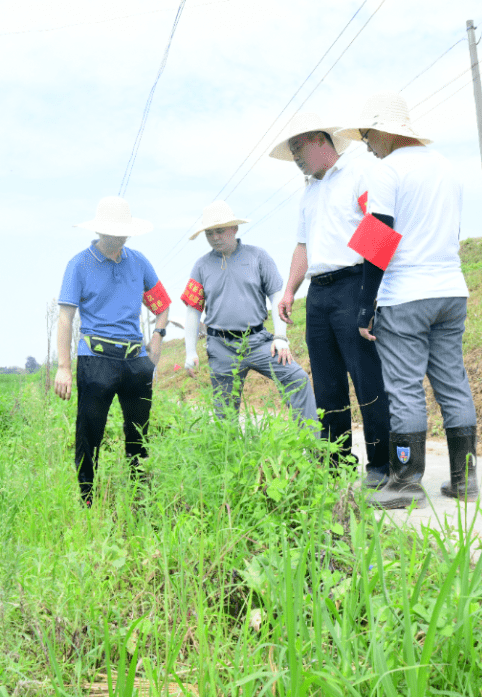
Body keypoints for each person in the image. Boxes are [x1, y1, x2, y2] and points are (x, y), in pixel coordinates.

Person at [336, 92, 479, 509]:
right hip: (451, 289)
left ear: (384, 130)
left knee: (403, 389)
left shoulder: (388, 170)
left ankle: (405, 483)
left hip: (406, 294)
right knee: (453, 382)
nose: (365, 143)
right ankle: (465, 481)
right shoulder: (447, 168)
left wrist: (366, 307)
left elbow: (378, 238)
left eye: (366, 135)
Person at [269, 112, 392, 486]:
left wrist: (370, 296)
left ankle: (380, 465)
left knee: (366, 377)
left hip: (354, 282)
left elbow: (379, 227)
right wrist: (291, 288)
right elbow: (303, 245)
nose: (295, 158)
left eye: (298, 148)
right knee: (327, 384)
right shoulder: (309, 191)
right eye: (291, 151)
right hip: (319, 293)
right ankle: (337, 463)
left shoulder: (358, 173)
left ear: (321, 141)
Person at [55, 196, 171, 506]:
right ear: (99, 231)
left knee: (139, 435)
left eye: (122, 233)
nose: (117, 239)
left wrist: (158, 336)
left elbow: (162, 304)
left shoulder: (138, 261)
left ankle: (138, 500)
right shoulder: (79, 264)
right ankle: (87, 501)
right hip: (96, 359)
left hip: (136, 361)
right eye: (111, 232)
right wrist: (64, 367)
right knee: (90, 434)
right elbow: (65, 318)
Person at [182, 201, 317, 424]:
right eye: (209, 233)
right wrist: (190, 352)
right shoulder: (201, 266)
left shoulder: (258, 257)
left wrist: (281, 337)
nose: (215, 237)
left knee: (298, 378)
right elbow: (192, 310)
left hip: (258, 341)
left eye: (220, 231)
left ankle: (313, 448)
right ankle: (231, 457)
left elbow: (276, 296)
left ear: (234, 229)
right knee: (225, 413)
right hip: (221, 346)